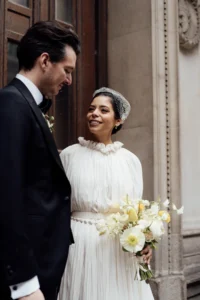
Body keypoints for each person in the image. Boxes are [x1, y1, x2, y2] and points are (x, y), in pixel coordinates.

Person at [0, 21, 80, 300]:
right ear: (45, 60)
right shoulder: (11, 104)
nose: (69, 80)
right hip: (25, 280)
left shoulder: (28, 105)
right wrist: (24, 284)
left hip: (43, 268)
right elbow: (6, 197)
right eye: (67, 70)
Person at [59, 87, 154, 300]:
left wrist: (144, 241)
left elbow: (135, 211)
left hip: (117, 250)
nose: (95, 114)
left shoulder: (130, 161)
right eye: (92, 109)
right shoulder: (69, 156)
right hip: (79, 244)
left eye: (103, 110)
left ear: (118, 120)